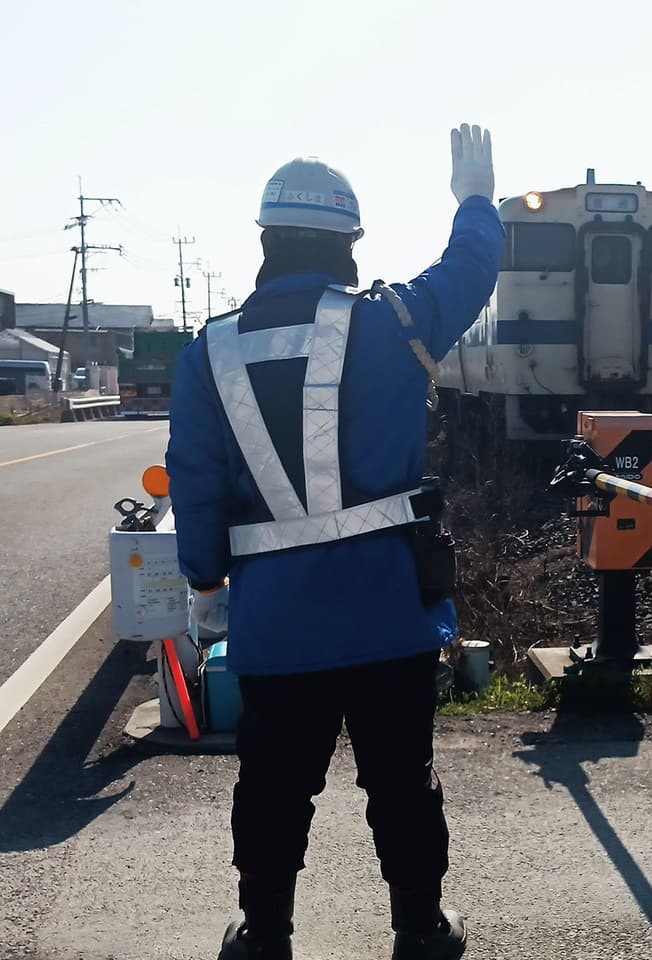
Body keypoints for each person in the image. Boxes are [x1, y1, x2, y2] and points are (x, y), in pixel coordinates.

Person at [166, 123, 503, 960]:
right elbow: (469, 273)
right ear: (348, 244)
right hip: (389, 614)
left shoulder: (206, 354)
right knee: (400, 782)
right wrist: (474, 200)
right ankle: (420, 931)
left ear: (264, 242)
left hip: (277, 628)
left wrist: (206, 584)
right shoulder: (390, 326)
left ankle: (265, 936)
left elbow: (196, 478)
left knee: (275, 789)